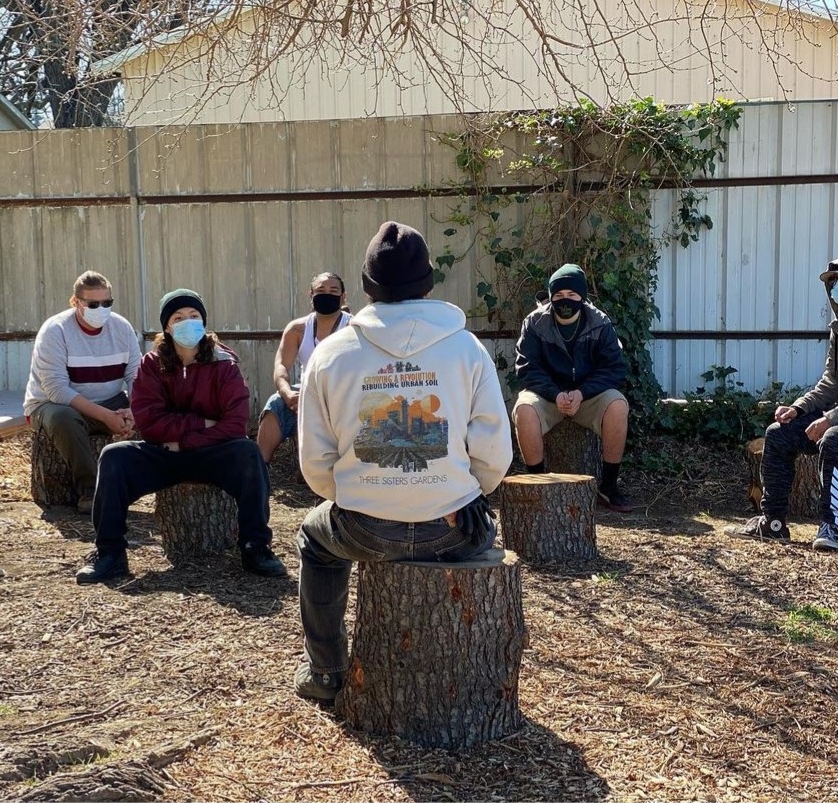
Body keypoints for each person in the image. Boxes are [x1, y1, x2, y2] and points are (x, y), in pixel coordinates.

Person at [292, 221, 513, 702]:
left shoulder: (330, 354)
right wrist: (462, 491)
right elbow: (495, 451)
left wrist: (360, 494)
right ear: (429, 284)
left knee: (314, 538)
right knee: (481, 520)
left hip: (362, 527)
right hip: (450, 528)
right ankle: (471, 689)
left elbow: (315, 462)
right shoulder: (466, 347)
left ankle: (326, 672)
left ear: (367, 287)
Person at [75, 288, 288, 584]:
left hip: (210, 454)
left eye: (194, 316)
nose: (188, 322)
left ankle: (256, 547)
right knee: (114, 456)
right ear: (167, 326)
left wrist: (185, 440)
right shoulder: (151, 365)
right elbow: (149, 423)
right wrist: (203, 422)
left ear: (204, 321)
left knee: (247, 452)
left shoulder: (224, 365)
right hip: (163, 453)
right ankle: (110, 553)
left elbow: (235, 424)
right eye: (178, 317)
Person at [727, 253, 838, 551]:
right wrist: (798, 407)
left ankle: (832, 527)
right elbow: (831, 383)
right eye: (834, 282)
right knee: (778, 434)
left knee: (836, 439)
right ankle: (772, 522)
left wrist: (834, 417)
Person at [511, 263, 634, 513]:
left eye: (571, 295)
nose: (564, 300)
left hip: (588, 396)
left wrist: (582, 393)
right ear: (550, 296)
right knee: (524, 409)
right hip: (548, 395)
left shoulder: (600, 323)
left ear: (582, 297)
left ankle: (608, 487)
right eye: (558, 295)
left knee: (618, 405)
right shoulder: (534, 323)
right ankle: (536, 484)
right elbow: (526, 367)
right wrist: (555, 394)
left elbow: (614, 368)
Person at [23, 271, 140, 514]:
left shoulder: (122, 328)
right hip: (55, 406)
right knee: (63, 418)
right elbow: (57, 390)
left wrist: (135, 409)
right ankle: (91, 490)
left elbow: (136, 375)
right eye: (93, 304)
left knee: (155, 409)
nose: (101, 309)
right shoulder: (55, 330)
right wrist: (105, 416)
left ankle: (148, 482)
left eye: (107, 303)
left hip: (111, 401)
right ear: (76, 302)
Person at [256, 272, 351, 464]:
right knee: (275, 404)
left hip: (344, 393)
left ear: (343, 297)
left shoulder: (353, 327)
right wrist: (287, 393)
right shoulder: (297, 329)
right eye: (320, 291)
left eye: (333, 291)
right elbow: (281, 366)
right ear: (311, 295)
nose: (326, 295)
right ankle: (259, 469)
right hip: (307, 391)